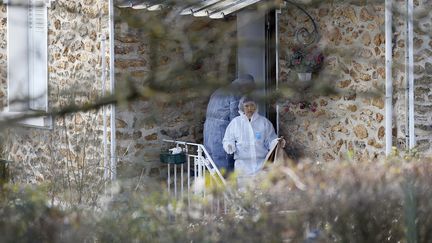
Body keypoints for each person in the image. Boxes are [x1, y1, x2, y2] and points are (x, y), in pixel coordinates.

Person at [222, 96, 285, 185]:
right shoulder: (236, 123)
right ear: (242, 107)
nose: (249, 108)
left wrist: (277, 142)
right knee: (245, 194)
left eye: (252, 105)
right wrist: (229, 145)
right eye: (246, 106)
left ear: (256, 107)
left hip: (261, 166)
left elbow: (271, 140)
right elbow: (227, 139)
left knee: (262, 193)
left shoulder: (264, 122)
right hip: (242, 168)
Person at [203, 74, 255, 174]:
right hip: (221, 131)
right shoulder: (235, 93)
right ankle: (225, 189)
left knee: (210, 163)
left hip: (208, 129)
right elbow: (234, 118)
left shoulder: (218, 91)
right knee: (224, 164)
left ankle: (213, 188)